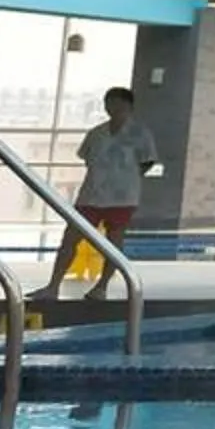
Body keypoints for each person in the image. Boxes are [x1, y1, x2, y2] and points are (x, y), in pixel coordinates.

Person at [30, 85, 156, 304]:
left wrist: (124, 179)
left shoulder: (140, 134)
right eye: (109, 102)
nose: (113, 107)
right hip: (91, 195)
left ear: (129, 106)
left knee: (113, 242)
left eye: (118, 102)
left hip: (122, 197)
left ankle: (101, 286)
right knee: (70, 238)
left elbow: (147, 162)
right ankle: (53, 286)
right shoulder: (96, 133)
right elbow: (88, 159)